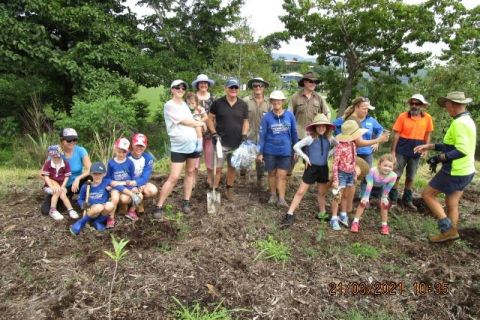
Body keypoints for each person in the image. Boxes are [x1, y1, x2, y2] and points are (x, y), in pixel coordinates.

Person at [413, 92, 476, 243]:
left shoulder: (459, 123)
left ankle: (447, 229)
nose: (446, 108)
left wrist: (439, 158)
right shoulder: (466, 120)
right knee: (451, 203)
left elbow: (461, 150)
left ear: (452, 104)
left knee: (427, 194)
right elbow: (451, 146)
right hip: (467, 170)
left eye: (446, 105)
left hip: (455, 170)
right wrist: (431, 146)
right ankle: (450, 235)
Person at [153, 80, 206, 219]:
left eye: (183, 87)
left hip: (192, 144)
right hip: (179, 147)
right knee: (174, 177)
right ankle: (159, 205)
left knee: (190, 172)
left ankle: (186, 201)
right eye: (177, 87)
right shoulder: (169, 105)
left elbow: (192, 120)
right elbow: (184, 121)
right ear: (172, 89)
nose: (180, 89)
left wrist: (199, 124)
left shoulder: (184, 105)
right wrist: (200, 123)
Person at [282, 114, 335, 227]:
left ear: (327, 127)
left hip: (323, 168)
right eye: (318, 126)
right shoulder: (310, 138)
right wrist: (306, 157)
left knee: (322, 193)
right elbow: (296, 146)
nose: (321, 128)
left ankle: (322, 213)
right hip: (311, 168)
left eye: (323, 126)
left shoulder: (330, 139)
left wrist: (328, 155)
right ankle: (290, 213)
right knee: (301, 191)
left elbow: (338, 146)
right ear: (315, 127)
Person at [206, 77, 249, 201]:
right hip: (220, 142)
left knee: (232, 167)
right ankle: (215, 189)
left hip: (236, 143)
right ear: (226, 88)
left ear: (238, 90)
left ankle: (229, 189)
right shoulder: (218, 103)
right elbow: (210, 119)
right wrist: (213, 133)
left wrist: (244, 134)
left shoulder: (242, 105)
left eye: (236, 87)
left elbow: (246, 122)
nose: (233, 89)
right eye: (231, 87)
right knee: (218, 168)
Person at [389, 94, 434, 210]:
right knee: (396, 175)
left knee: (411, 176)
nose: (414, 106)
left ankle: (407, 200)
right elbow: (396, 134)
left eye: (417, 103)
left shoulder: (427, 118)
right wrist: (393, 151)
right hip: (401, 149)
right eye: (412, 103)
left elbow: (428, 133)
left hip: (416, 150)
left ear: (422, 105)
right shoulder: (402, 116)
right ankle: (392, 200)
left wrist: (426, 148)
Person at [257, 90, 298, 208]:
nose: (276, 102)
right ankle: (273, 195)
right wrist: (260, 152)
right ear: (271, 101)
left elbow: (294, 133)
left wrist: (295, 149)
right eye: (274, 100)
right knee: (271, 173)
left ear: (283, 101)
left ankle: (282, 198)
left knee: (282, 175)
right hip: (270, 151)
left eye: (279, 100)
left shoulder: (290, 115)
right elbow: (263, 135)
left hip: (285, 151)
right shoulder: (267, 117)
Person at [41, 128, 92, 215]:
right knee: (46, 211)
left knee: (90, 177)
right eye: (69, 140)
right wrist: (54, 183)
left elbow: (90, 169)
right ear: (62, 140)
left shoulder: (80, 150)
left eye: (75, 139)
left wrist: (78, 178)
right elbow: (41, 173)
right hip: (61, 186)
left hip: (76, 184)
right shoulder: (55, 151)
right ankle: (67, 197)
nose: (72, 142)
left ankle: (84, 201)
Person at [330, 120, 369, 230]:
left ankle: (343, 214)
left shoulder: (353, 145)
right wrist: (336, 179)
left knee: (346, 195)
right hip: (341, 174)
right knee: (337, 196)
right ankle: (333, 217)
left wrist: (354, 173)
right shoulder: (339, 147)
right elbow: (335, 164)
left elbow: (353, 160)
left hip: (350, 173)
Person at [351, 154, 397, 235]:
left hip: (380, 186)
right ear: (379, 164)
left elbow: (388, 187)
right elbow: (370, 184)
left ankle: (384, 225)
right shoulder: (372, 170)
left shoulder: (393, 176)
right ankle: (355, 222)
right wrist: (366, 196)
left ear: (393, 168)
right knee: (363, 202)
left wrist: (384, 197)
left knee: (384, 204)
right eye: (385, 165)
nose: (387, 168)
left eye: (390, 166)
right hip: (368, 184)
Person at [70, 161, 115, 235]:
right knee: (99, 207)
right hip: (91, 211)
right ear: (91, 174)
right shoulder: (86, 186)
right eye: (95, 174)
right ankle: (81, 222)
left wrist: (111, 190)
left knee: (110, 205)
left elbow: (117, 186)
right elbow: (80, 199)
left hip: (102, 212)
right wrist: (83, 204)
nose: (97, 176)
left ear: (104, 174)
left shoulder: (106, 183)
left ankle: (98, 222)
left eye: (99, 174)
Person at [107, 138, 142, 227]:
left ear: (128, 151)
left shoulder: (129, 162)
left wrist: (135, 184)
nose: (121, 154)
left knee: (140, 195)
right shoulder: (111, 163)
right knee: (114, 198)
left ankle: (131, 211)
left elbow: (132, 176)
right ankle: (111, 218)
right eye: (119, 151)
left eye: (124, 152)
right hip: (116, 185)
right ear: (115, 149)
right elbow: (108, 177)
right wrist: (110, 184)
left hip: (127, 185)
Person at [243, 77, 270, 187]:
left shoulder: (269, 102)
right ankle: (243, 179)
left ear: (264, 87)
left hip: (263, 135)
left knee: (260, 160)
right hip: (248, 134)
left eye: (260, 85)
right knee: (245, 159)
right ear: (252, 88)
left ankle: (260, 180)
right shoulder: (245, 101)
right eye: (255, 86)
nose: (258, 87)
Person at [40, 145, 79, 220]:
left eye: (58, 156)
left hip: (61, 185)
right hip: (49, 186)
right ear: (51, 156)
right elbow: (46, 177)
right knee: (57, 191)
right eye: (54, 157)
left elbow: (67, 177)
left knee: (63, 194)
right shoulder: (48, 164)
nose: (56, 158)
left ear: (61, 155)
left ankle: (70, 209)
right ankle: (53, 210)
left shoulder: (65, 164)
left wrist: (63, 186)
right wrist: (51, 186)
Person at [288, 71, 331, 139]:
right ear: (305, 82)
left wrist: (324, 129)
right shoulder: (295, 97)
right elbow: (289, 115)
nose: (314, 84)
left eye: (315, 82)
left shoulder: (319, 97)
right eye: (311, 81)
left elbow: (327, 113)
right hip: (298, 135)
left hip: (314, 136)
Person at [192, 74, 216, 187]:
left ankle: (210, 179)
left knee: (210, 156)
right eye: (201, 83)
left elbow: (216, 115)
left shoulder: (213, 98)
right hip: (195, 132)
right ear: (197, 85)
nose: (203, 85)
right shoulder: (193, 98)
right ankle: (193, 180)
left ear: (208, 85)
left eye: (205, 83)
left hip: (210, 132)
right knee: (195, 156)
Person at [125, 133, 158, 213]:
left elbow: (145, 176)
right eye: (137, 145)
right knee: (124, 199)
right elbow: (123, 175)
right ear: (132, 144)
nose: (139, 148)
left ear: (145, 146)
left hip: (140, 182)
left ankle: (140, 202)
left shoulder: (148, 158)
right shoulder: (126, 157)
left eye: (141, 146)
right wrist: (133, 185)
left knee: (152, 190)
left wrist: (138, 184)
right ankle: (125, 205)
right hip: (127, 184)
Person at [185, 92, 208, 188]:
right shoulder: (185, 110)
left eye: (193, 103)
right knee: (191, 161)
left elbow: (206, 117)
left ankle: (200, 143)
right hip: (188, 132)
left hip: (197, 129)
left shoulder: (199, 109)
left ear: (196, 103)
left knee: (198, 128)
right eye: (189, 103)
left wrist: (200, 122)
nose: (191, 105)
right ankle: (191, 180)